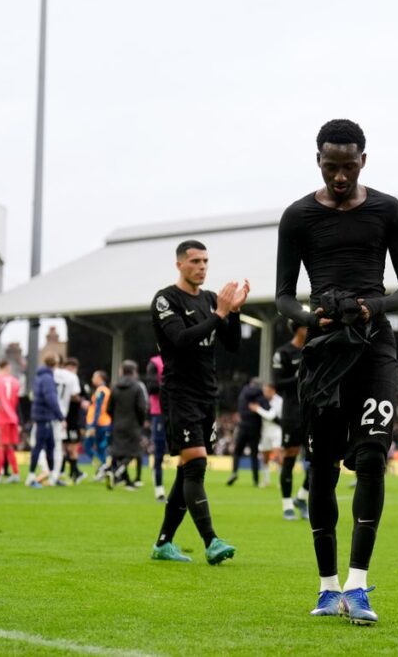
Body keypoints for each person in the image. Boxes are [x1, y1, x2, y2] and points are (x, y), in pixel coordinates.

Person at [275, 119, 398, 624]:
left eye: (349, 165)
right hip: (323, 352)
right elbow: (282, 298)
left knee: (374, 457)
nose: (340, 176)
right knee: (322, 468)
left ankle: (358, 587)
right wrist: (309, 317)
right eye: (331, 166)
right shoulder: (297, 216)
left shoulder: (387, 209)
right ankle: (326, 586)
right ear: (318, 160)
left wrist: (367, 307)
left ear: (364, 159)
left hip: (374, 344)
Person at [149, 239, 247, 565]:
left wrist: (233, 313)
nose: (202, 267)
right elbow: (180, 340)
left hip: (208, 394)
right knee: (197, 465)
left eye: (205, 261)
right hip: (180, 393)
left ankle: (163, 543)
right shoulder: (166, 300)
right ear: (180, 264)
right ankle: (211, 541)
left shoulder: (208, 300)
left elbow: (232, 344)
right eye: (195, 261)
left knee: (186, 471)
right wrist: (219, 313)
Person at [272, 321, 310, 519]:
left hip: (313, 410)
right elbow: (277, 383)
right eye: (307, 326)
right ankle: (287, 504)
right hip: (292, 411)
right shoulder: (284, 352)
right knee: (290, 455)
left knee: (318, 460)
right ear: (298, 329)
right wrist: (299, 377)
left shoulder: (315, 348)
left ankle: (302, 497)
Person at [106, 360, 147, 490]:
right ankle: (116, 472)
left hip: (118, 425)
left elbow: (109, 408)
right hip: (133, 425)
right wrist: (140, 422)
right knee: (134, 452)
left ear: (122, 371)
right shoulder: (137, 387)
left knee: (119, 453)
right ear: (134, 371)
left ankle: (127, 481)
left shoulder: (115, 387)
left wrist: (115, 419)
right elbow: (142, 408)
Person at [27, 355, 64, 489]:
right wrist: (60, 416)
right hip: (44, 417)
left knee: (50, 445)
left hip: (41, 416)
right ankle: (31, 476)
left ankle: (53, 475)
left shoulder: (40, 377)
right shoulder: (48, 378)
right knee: (40, 446)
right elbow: (51, 399)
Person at [227, 379, 267, 487]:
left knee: (237, 452)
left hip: (243, 426)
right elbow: (266, 409)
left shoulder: (243, 394)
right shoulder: (261, 397)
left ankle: (234, 472)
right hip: (255, 428)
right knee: (254, 455)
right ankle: (255, 480)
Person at [0, 360, 21, 483]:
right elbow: (17, 402)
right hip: (13, 418)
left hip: (0, 419)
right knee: (10, 447)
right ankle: (16, 474)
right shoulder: (16, 382)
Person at [50, 354, 81, 486]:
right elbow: (75, 395)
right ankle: (58, 473)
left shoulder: (50, 374)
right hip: (64, 416)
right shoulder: (71, 377)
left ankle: (64, 472)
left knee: (63, 447)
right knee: (61, 447)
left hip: (56, 415)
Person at [251, 383, 283, 493]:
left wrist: (257, 409)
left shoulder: (279, 401)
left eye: (267, 391)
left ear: (273, 390)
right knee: (265, 457)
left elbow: (271, 416)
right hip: (265, 431)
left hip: (276, 431)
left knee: (278, 455)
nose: (265, 393)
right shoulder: (263, 400)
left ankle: (281, 481)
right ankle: (266, 480)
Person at [57, 357, 85, 484]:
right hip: (64, 418)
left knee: (72, 447)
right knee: (64, 447)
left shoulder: (78, 382)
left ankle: (73, 472)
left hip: (73, 420)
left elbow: (82, 398)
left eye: (73, 368)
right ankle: (65, 471)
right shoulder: (64, 380)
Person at [146, 354, 168, 501]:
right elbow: (151, 387)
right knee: (159, 451)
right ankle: (159, 488)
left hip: (180, 412)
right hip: (160, 412)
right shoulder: (155, 362)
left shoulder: (182, 359)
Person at [85, 370, 112, 479]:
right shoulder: (105, 390)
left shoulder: (100, 391)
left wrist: (93, 425)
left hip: (98, 423)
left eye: (94, 376)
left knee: (87, 446)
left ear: (101, 378)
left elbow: (98, 409)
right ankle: (103, 470)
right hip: (104, 423)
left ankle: (103, 467)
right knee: (101, 449)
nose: (92, 378)